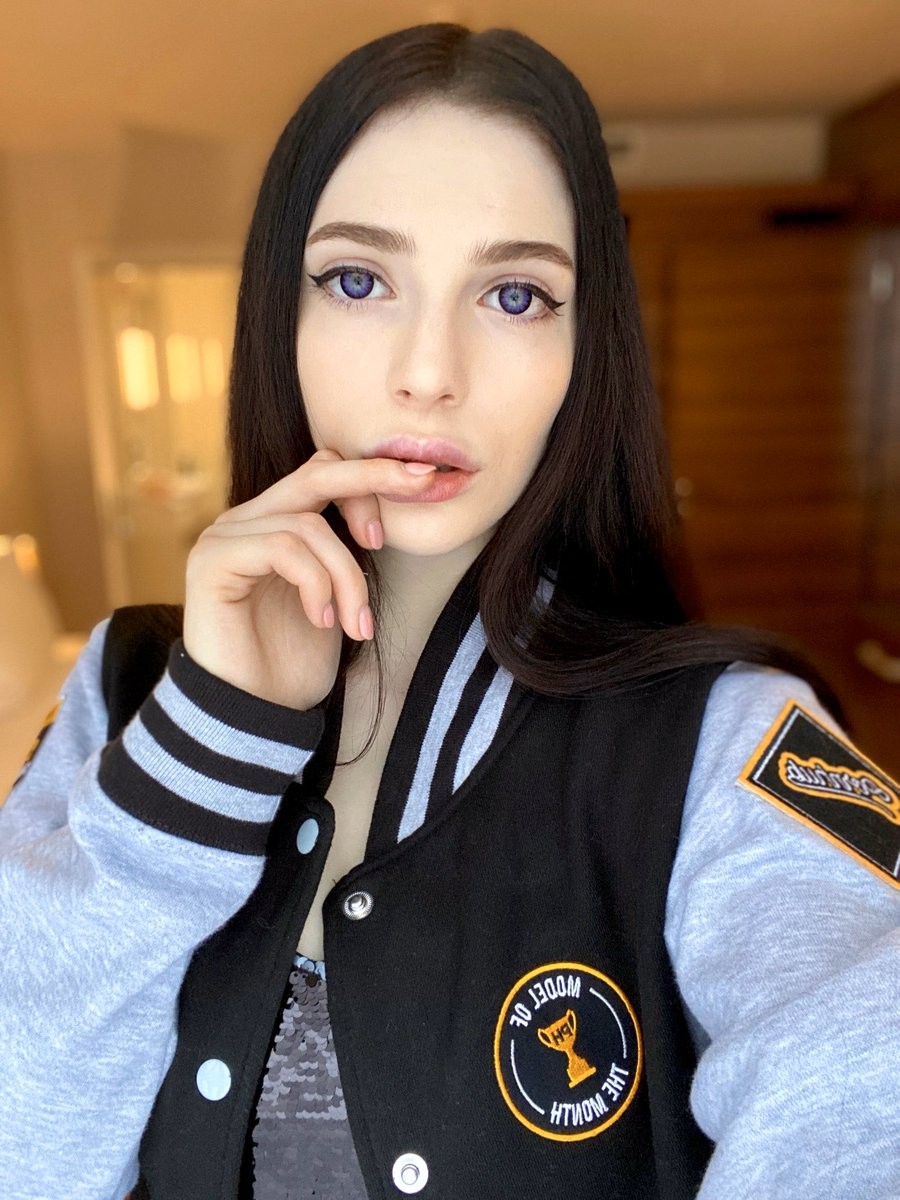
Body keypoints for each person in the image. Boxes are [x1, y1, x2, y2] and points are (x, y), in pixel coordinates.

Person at [1, 22, 898, 1200]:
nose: (430, 371)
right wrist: (208, 737)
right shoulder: (127, 686)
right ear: (281, 317)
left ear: (585, 349)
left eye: (516, 295)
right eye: (358, 281)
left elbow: (864, 1076)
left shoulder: (721, 737)